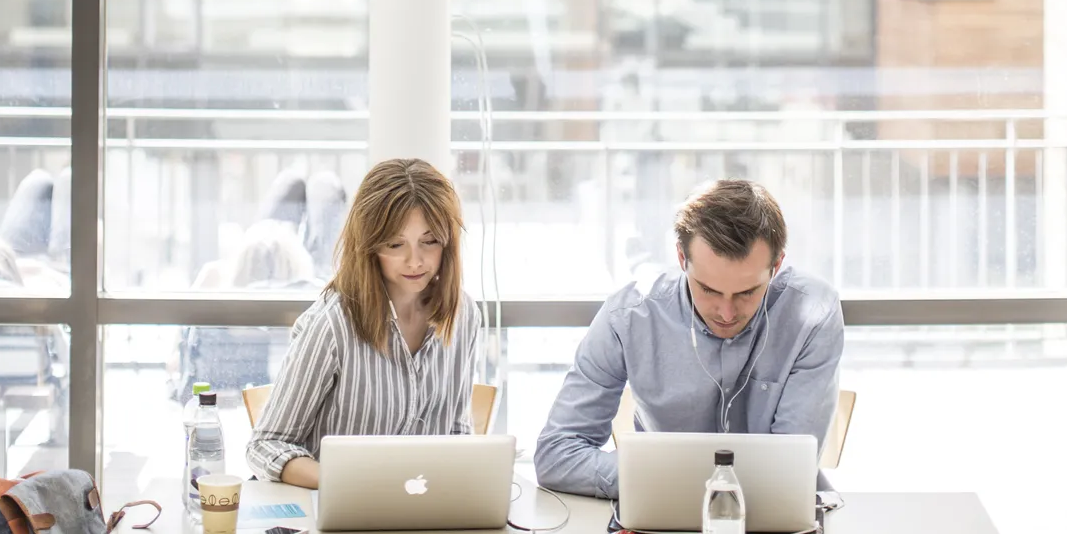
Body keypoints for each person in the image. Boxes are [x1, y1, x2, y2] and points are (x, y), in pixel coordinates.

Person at [534, 179, 844, 498]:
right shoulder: (629, 316)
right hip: (657, 512)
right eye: (708, 289)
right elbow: (557, 455)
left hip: (772, 519)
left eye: (747, 292)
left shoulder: (812, 313)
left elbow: (789, 472)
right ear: (682, 258)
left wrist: (667, 480)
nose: (726, 312)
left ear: (776, 266)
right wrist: (649, 481)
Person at [246, 158, 481, 489]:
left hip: (425, 514)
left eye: (429, 241)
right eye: (395, 244)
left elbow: (456, 433)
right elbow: (265, 446)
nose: (415, 260)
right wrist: (355, 484)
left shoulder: (464, 315)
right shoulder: (332, 325)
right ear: (370, 247)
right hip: (343, 515)